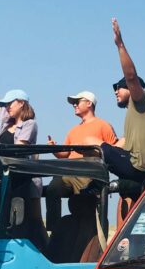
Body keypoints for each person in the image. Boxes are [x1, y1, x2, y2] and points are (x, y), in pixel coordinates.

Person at [44, 91, 119, 229]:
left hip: (89, 172)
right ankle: (54, 231)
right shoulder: (73, 130)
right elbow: (64, 154)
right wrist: (54, 148)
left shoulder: (103, 125)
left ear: (89, 103)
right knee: (52, 189)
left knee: (84, 204)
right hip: (69, 170)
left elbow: (113, 150)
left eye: (77, 102)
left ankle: (91, 233)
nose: (74, 105)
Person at [101, 19, 145, 185]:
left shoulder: (140, 102)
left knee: (102, 150)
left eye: (120, 87)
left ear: (132, 89)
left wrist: (120, 45)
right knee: (104, 150)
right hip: (138, 166)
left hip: (139, 167)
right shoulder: (135, 115)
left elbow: (131, 76)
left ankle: (93, 190)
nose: (116, 91)